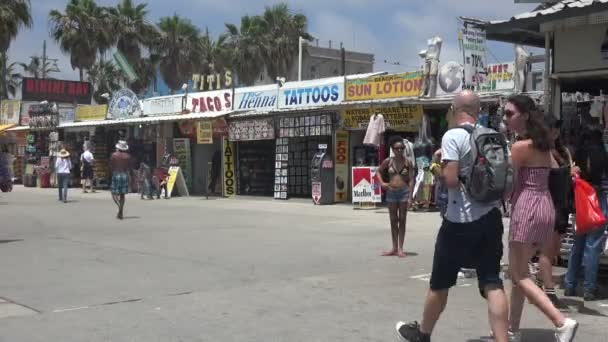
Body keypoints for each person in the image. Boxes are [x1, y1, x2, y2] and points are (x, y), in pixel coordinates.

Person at [395, 90, 510, 342]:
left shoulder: (453, 135)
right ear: (478, 110)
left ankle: (422, 334)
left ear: (454, 109)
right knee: (492, 281)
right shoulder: (494, 136)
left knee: (440, 282)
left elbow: (450, 180)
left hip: (460, 220)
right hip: (491, 217)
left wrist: (436, 166)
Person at [504, 94, 578, 341]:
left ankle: (560, 321)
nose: (505, 119)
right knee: (520, 271)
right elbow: (557, 172)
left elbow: (509, 185)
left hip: (526, 207)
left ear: (524, 116)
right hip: (546, 206)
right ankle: (512, 329)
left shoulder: (519, 147)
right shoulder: (545, 145)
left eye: (509, 114)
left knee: (518, 275)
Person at [535, 116, 576, 311]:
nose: (555, 133)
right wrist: (569, 172)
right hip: (549, 204)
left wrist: (573, 172)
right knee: (547, 251)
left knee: (554, 251)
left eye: (557, 129)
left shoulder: (563, 151)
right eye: (552, 129)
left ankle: (538, 281)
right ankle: (549, 292)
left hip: (563, 204)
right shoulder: (542, 152)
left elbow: (569, 173)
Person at [564, 126, 608, 301]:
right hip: (599, 201)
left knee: (578, 244)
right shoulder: (603, 156)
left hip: (582, 202)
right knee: (593, 246)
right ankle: (589, 288)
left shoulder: (578, 156)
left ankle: (570, 284)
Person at [378, 136, 415, 258]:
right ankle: (394, 247)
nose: (399, 150)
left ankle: (400, 248)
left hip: (404, 192)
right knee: (393, 220)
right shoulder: (388, 161)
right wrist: (383, 183)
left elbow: (411, 180)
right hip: (391, 192)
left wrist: (410, 197)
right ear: (392, 149)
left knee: (402, 219)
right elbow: (378, 171)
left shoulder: (407, 162)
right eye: (397, 148)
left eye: (402, 148)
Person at [110, 140, 131, 220]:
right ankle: (121, 210)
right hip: (125, 174)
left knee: (113, 192)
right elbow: (129, 167)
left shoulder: (114, 155)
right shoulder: (128, 156)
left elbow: (111, 166)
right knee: (122, 194)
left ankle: (119, 207)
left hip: (116, 173)